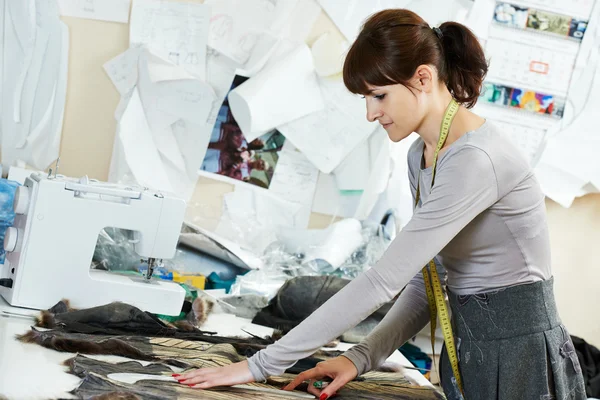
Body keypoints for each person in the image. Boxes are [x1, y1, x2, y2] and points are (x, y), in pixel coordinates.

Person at [175, 9, 586, 400]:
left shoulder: (476, 160)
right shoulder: (423, 155)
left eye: (379, 96)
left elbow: (382, 281)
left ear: (423, 78)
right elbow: (429, 285)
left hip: (522, 361)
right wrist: (360, 357)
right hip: (471, 351)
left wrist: (258, 366)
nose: (371, 113)